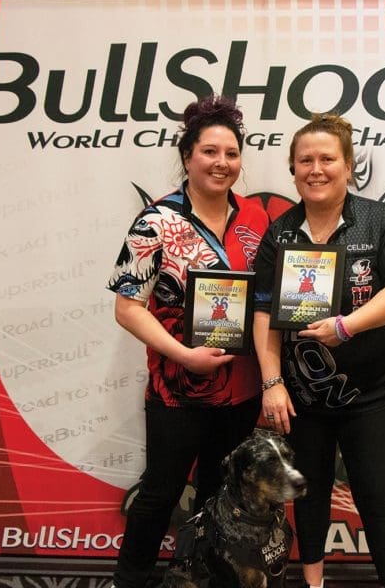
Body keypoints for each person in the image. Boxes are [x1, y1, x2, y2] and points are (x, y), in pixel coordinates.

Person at [107, 95, 269, 588]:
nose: (222, 163)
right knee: (160, 493)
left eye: (232, 153)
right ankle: (130, 581)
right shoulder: (155, 222)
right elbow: (127, 307)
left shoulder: (257, 218)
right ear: (187, 156)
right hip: (177, 389)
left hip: (241, 390)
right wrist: (184, 355)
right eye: (210, 151)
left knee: (221, 498)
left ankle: (202, 578)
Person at [253, 113, 385, 588]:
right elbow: (263, 312)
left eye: (327, 159)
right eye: (305, 160)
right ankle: (313, 583)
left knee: (376, 495)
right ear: (293, 169)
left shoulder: (381, 221)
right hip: (303, 395)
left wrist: (345, 328)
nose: (316, 169)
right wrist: (272, 382)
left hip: (372, 392)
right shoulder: (280, 233)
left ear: (348, 166)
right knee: (308, 492)